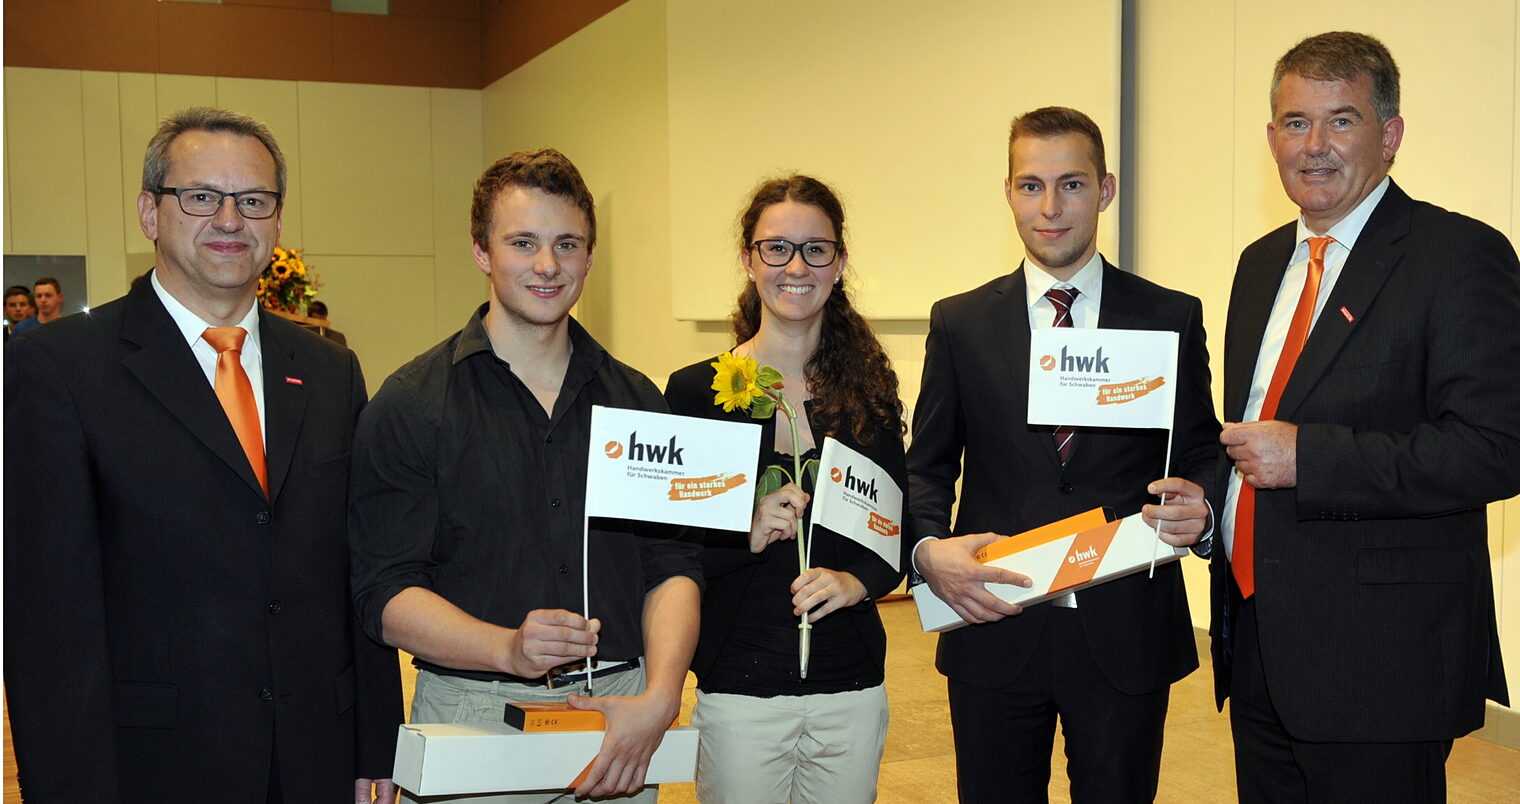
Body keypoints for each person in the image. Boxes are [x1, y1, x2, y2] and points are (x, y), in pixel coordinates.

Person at [3, 107, 403, 804]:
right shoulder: (58, 369)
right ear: (149, 214)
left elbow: (355, 575)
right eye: (200, 197)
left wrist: (379, 745)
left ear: (277, 224)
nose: (230, 220)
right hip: (152, 767)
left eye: (253, 201)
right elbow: (48, 623)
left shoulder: (331, 371)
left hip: (319, 760)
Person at [1213, 31, 1519, 803]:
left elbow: (1495, 449)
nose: (1313, 146)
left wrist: (1311, 460)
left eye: (1340, 121)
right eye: (1294, 123)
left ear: (1390, 136)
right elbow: (1252, 432)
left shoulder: (1458, 255)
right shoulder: (1258, 266)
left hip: (1381, 663)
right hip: (1257, 645)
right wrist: (1205, 499)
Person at [349, 148, 702, 803]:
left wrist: (661, 695)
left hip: (620, 714)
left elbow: (672, 563)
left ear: (590, 257)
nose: (547, 265)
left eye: (567, 244)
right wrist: (507, 647)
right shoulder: (412, 404)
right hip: (474, 713)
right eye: (523, 242)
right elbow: (383, 593)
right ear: (483, 252)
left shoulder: (637, 401)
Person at [907, 106, 1219, 803]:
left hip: (1123, 628)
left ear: (1105, 190)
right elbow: (926, 465)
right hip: (994, 615)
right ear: (1009, 191)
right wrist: (928, 552)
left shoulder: (1169, 316)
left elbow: (1201, 446)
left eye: (1071, 185)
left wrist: (1202, 504)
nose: (1049, 208)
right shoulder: (960, 322)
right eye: (1030, 185)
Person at [664, 175, 909, 803]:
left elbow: (893, 534)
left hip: (850, 686)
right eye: (776, 248)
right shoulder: (697, 394)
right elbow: (669, 549)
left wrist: (857, 583)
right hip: (739, 685)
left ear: (839, 262)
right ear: (748, 259)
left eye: (816, 249)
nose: (795, 266)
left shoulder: (869, 396)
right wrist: (742, 533)